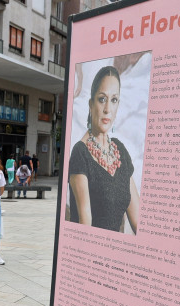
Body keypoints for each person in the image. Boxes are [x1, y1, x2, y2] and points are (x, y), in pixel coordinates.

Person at [69, 65, 139, 234]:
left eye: (113, 100)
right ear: (91, 104)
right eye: (102, 99)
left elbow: (138, 219)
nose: (107, 109)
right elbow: (84, 224)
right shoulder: (80, 152)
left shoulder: (120, 150)